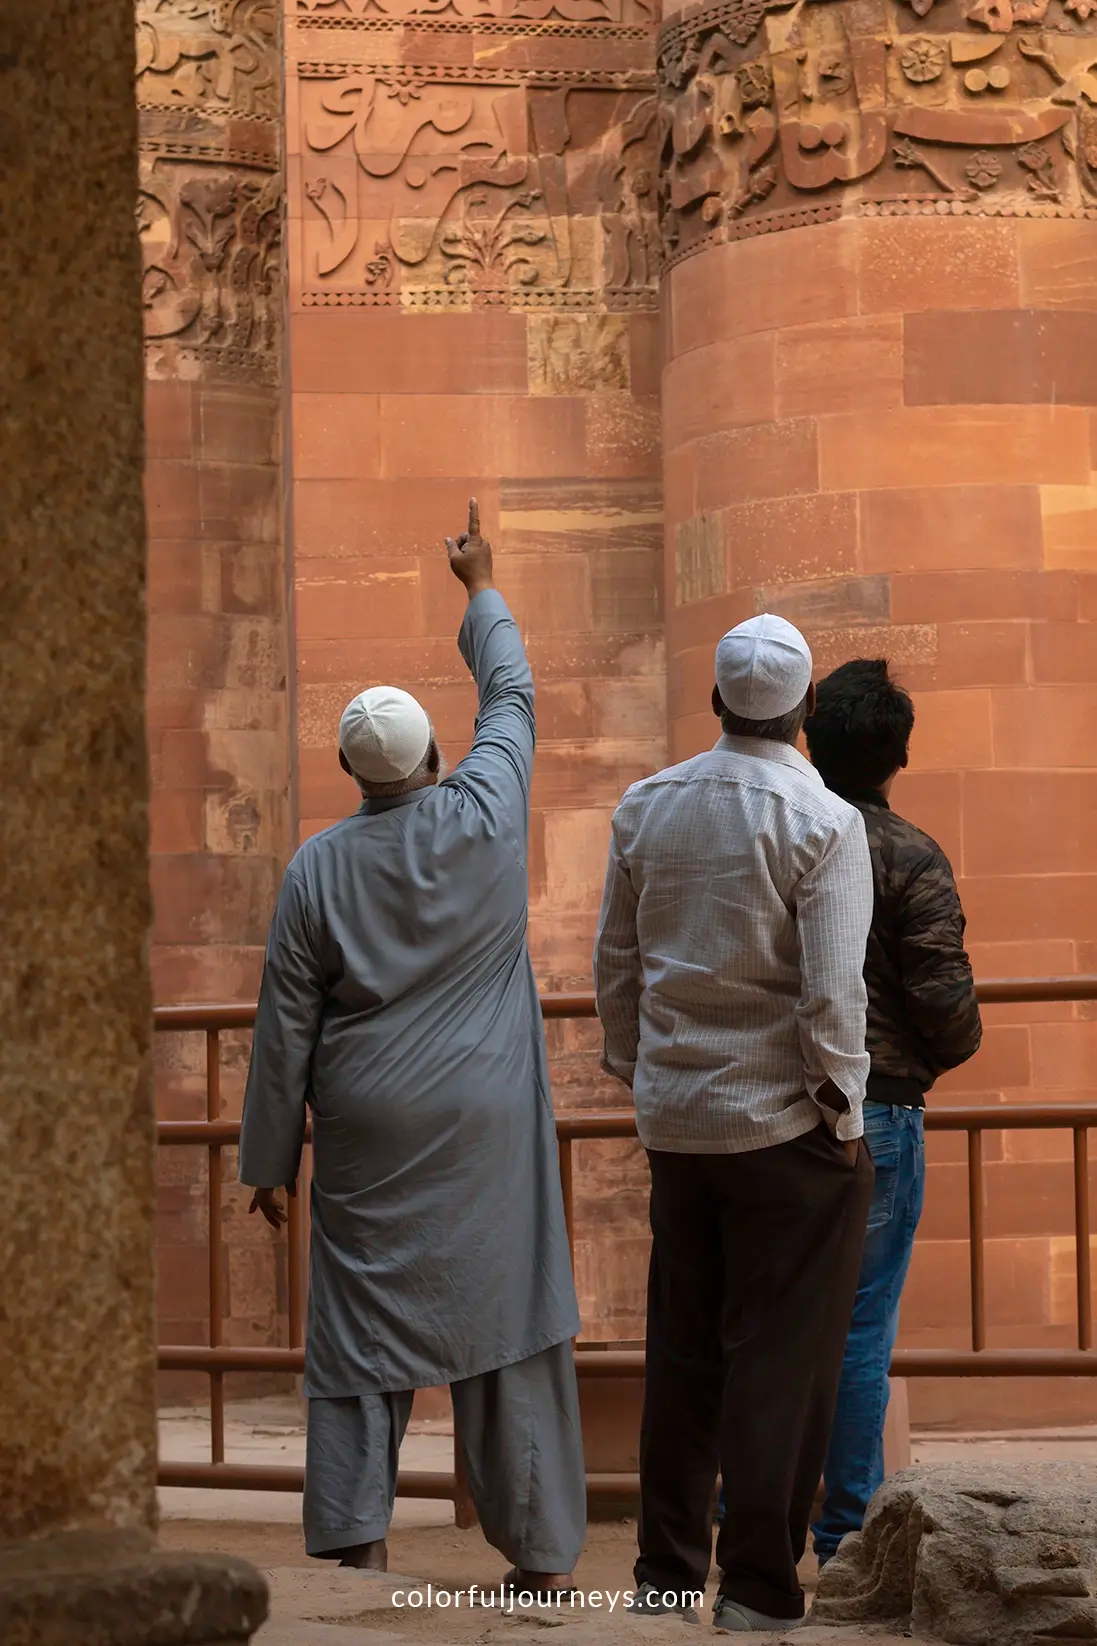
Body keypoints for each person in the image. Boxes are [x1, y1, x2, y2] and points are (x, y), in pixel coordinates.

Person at [238, 502, 585, 1596]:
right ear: (435, 755)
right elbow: (513, 695)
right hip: (483, 1123)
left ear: (352, 771)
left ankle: (355, 1557)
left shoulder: (313, 867)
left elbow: (285, 1021)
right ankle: (537, 1562)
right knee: (509, 1323)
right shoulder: (484, 807)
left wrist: (265, 1162)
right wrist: (478, 584)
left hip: (363, 1130)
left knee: (355, 1341)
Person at [594, 614, 876, 1633]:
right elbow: (829, 995)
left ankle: (664, 1570)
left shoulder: (646, 803)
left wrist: (641, 1070)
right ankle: (754, 1583)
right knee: (777, 1355)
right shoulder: (821, 820)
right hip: (785, 1124)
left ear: (714, 701)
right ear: (802, 711)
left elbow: (614, 963)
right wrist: (841, 1109)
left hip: (680, 1118)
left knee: (682, 1345)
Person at [803, 659, 982, 1568]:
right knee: (862, 1325)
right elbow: (948, 1011)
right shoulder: (908, 853)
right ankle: (842, 1537)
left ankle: (750, 1508)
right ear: (899, 753)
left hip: (775, 1105)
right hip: (880, 1108)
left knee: (770, 1316)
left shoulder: (785, 833)